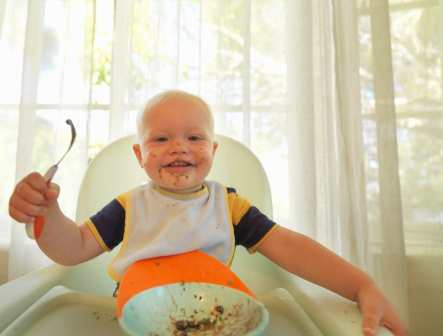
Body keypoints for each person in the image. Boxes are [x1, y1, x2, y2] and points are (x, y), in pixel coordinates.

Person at [9, 89, 408, 336]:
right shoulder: (130, 206)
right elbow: (72, 248)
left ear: (213, 151)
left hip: (219, 321)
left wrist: (361, 285)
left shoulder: (229, 206)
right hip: (140, 321)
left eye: (194, 137)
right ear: (140, 155)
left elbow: (290, 247)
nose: (179, 147)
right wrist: (46, 212)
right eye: (161, 138)